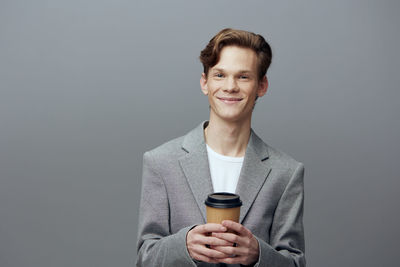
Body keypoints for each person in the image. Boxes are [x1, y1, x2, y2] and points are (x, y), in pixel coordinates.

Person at [136, 28, 305, 267]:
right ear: (205, 83)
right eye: (219, 75)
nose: (230, 86)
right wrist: (183, 245)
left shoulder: (286, 173)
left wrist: (259, 255)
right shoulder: (161, 162)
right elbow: (145, 258)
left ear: (262, 85)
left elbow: (295, 262)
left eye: (243, 76)